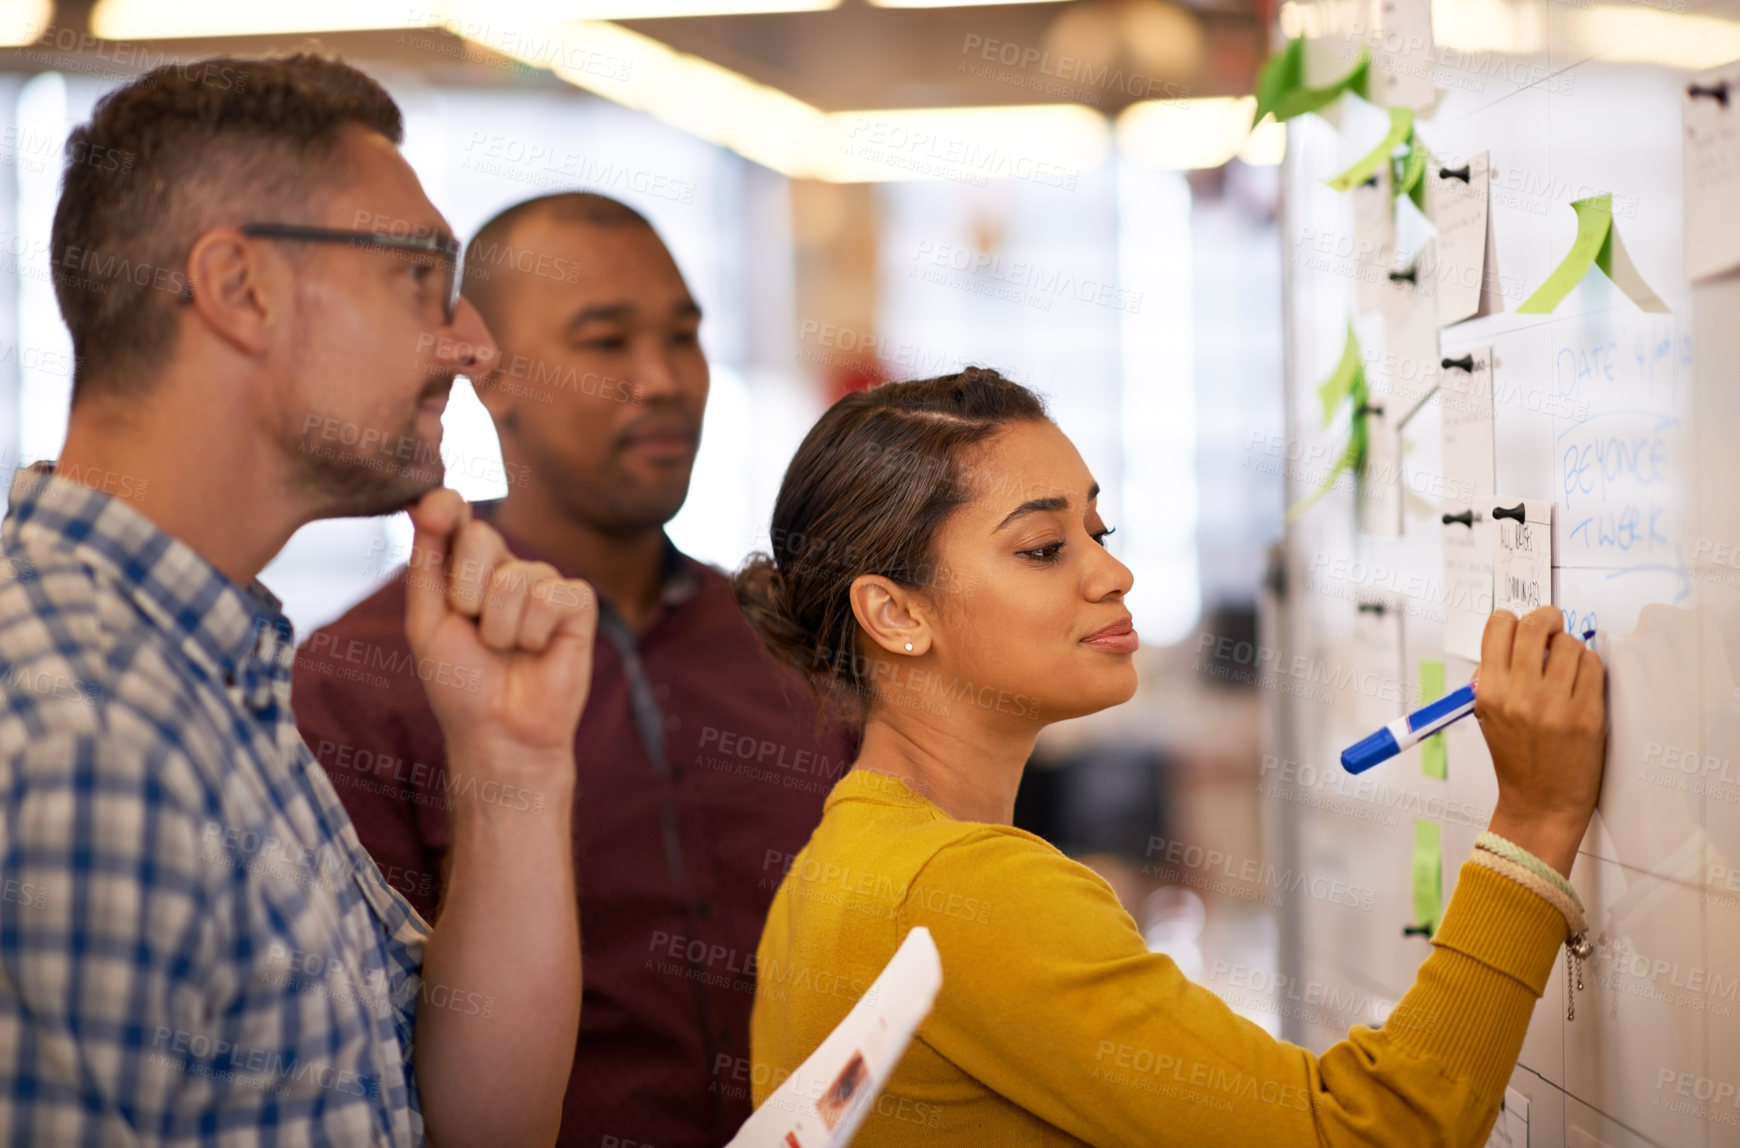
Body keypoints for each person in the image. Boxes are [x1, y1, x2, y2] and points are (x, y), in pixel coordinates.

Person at [740, 367, 1608, 1145]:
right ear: (894, 614)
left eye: (1099, 528)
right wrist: (1533, 822)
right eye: (1044, 549)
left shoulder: (839, 862)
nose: (1112, 572)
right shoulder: (969, 888)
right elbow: (1372, 1135)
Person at [0, 56, 598, 1145]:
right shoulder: (82, 740)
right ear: (239, 289)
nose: (474, 344)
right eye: (422, 275)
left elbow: (477, 1121)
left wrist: (514, 765)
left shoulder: (206, 673)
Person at [293, 192, 859, 1146]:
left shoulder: (790, 641)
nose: (664, 379)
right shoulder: (369, 675)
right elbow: (359, 1062)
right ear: (492, 378)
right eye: (607, 344)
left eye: (683, 338)